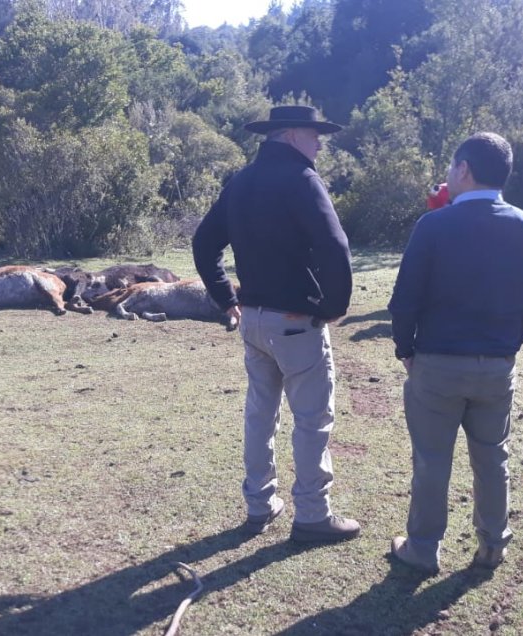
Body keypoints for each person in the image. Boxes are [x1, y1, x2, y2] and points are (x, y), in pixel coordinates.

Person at [192, 105, 360, 543]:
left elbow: (203, 241)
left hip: (252, 320)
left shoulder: (241, 182)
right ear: (289, 135)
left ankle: (259, 504)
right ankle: (312, 516)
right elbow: (335, 245)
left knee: (260, 415)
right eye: (314, 134)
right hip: (294, 322)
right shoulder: (303, 180)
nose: (320, 142)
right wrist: (333, 306)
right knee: (312, 419)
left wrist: (227, 299)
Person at [387, 132, 523, 573]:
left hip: (437, 364)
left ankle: (423, 549)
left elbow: (405, 299)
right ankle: (493, 544)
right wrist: (509, 344)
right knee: (493, 456)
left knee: (432, 459)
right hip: (496, 367)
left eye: (450, 167)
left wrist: (407, 349)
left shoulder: (434, 226)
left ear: (463, 169)